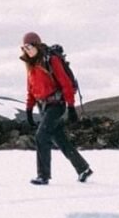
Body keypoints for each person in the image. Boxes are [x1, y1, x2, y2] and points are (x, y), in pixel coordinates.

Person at [20, 32, 92, 185]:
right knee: (60, 140)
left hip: (56, 105)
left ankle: (43, 175)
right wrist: (29, 110)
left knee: (41, 136)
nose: (27, 50)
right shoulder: (31, 65)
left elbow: (65, 84)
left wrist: (71, 107)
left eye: (29, 46)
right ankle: (83, 168)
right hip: (43, 106)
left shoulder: (51, 60)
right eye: (24, 48)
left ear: (37, 45)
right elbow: (31, 90)